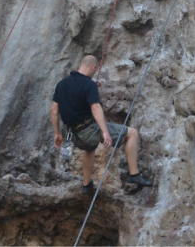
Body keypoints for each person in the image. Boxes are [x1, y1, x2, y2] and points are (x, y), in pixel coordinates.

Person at [51, 55, 153, 193]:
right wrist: (105, 131)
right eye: (95, 71)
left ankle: (86, 184)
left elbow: (54, 110)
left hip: (73, 135)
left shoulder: (61, 84)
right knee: (132, 133)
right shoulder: (89, 84)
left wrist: (57, 133)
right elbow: (96, 107)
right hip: (88, 130)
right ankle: (133, 175)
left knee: (89, 149)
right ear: (93, 68)